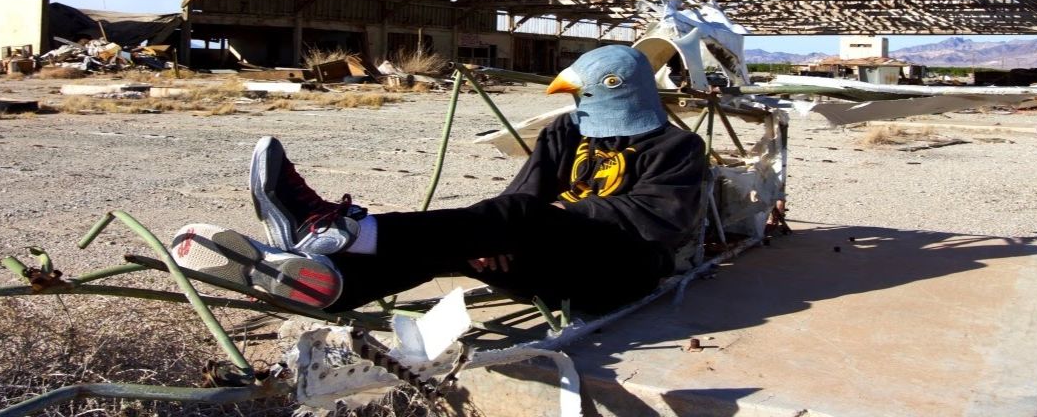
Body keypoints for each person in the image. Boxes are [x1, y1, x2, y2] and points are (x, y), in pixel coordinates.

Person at [171, 45, 709, 314]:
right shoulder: (567, 131)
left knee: (515, 219)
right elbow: (525, 192)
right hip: (548, 261)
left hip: (618, 275)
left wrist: (548, 218)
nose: (579, 107)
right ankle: (328, 285)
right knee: (453, 246)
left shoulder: (678, 147)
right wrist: (495, 239)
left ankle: (347, 231)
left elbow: (660, 221)